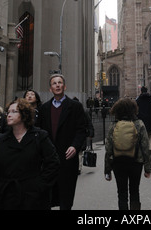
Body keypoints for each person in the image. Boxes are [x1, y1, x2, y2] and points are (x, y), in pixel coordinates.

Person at [0, 98, 60, 210]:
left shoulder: (39, 136)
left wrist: (40, 186)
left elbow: (53, 163)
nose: (9, 115)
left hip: (33, 197)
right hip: (6, 197)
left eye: (14, 112)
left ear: (24, 114)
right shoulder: (1, 140)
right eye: (8, 112)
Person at [37, 74, 87, 210]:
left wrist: (75, 146)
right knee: (46, 198)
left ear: (64, 87)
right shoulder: (44, 108)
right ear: (50, 89)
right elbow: (39, 132)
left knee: (66, 198)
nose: (57, 85)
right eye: (54, 83)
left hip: (67, 158)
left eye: (60, 83)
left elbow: (81, 130)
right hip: (48, 160)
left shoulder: (75, 106)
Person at [104, 97, 151, 210]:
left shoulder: (114, 125)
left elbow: (108, 149)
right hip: (136, 162)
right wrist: (147, 168)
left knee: (121, 193)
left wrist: (107, 170)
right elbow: (145, 147)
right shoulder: (139, 124)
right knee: (135, 191)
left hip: (118, 162)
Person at [73, 97, 95, 175]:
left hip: (76, 135)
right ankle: (78, 168)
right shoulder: (84, 111)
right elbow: (89, 123)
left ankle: (77, 168)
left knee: (78, 152)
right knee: (79, 153)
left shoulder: (70, 111)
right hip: (81, 134)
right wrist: (91, 133)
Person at [136, 86, 151, 155]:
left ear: (141, 91)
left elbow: (135, 111)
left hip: (141, 121)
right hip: (150, 121)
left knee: (141, 137)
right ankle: (149, 148)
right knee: (150, 136)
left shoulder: (138, 100)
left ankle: (143, 150)